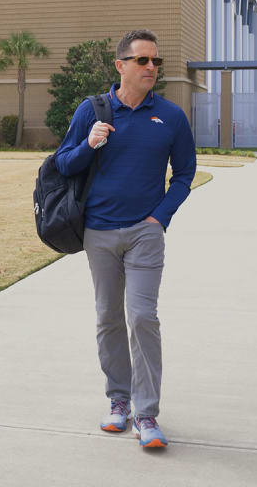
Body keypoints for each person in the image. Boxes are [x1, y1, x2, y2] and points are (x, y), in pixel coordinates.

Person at [54, 29, 197, 449]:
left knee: (141, 317)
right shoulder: (91, 110)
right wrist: (90, 144)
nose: (151, 67)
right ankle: (119, 401)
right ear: (121, 66)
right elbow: (63, 163)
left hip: (144, 233)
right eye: (142, 61)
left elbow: (185, 173)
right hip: (98, 232)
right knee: (109, 319)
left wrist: (160, 218)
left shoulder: (170, 116)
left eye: (156, 61)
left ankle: (147, 413)